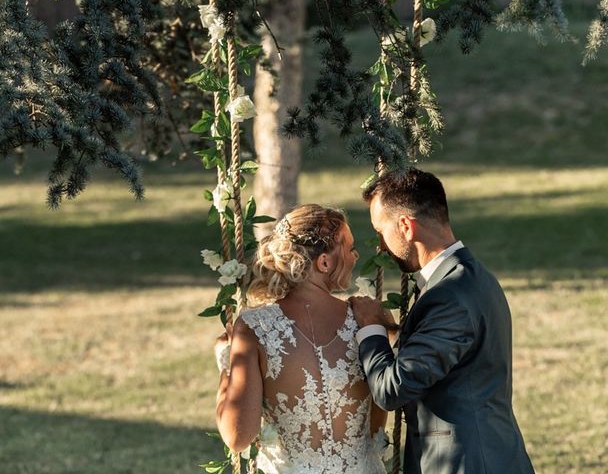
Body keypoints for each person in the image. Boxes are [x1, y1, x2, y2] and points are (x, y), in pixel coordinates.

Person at [350, 168, 535, 474]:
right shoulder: (472, 278)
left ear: (406, 227)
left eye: (380, 231)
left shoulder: (449, 295)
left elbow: (391, 390)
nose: (381, 246)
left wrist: (370, 329)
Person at [215, 204, 388, 474]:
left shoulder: (255, 327)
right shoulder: (366, 320)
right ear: (324, 262)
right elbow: (377, 425)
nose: (355, 256)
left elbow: (237, 437)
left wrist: (226, 362)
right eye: (350, 248)